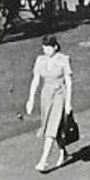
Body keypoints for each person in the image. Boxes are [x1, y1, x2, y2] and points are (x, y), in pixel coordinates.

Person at [25, 35, 74, 172]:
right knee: (53, 126)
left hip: (59, 94)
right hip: (46, 95)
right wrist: (31, 99)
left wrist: (68, 102)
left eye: (48, 47)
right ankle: (63, 152)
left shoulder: (64, 60)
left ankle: (43, 160)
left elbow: (68, 81)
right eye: (44, 48)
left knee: (51, 128)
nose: (46, 50)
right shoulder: (40, 60)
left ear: (55, 47)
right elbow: (35, 80)